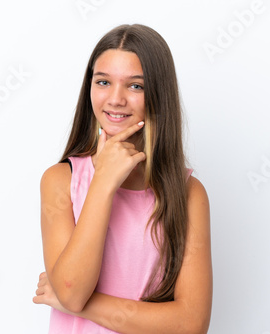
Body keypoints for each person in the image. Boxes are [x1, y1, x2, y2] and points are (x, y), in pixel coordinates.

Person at [33, 23, 212, 334]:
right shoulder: (61, 181)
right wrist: (103, 183)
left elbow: (191, 324)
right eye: (103, 81)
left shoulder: (188, 193)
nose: (115, 99)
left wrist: (74, 300)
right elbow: (73, 291)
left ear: (158, 94)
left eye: (135, 86)